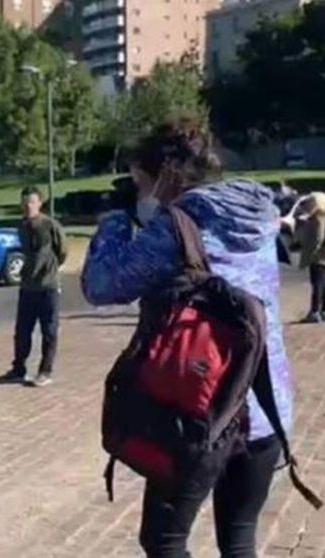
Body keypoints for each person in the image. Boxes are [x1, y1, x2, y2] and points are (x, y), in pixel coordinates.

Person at [81, 120, 294, 557]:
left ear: (165, 176)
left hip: (200, 412)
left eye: (141, 182)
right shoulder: (257, 215)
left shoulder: (177, 225)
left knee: (164, 539)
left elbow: (101, 284)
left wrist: (117, 219)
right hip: (266, 404)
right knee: (238, 537)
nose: (141, 192)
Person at [0, 186, 68, 387]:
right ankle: (18, 368)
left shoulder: (50, 225)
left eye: (31, 202)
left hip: (48, 286)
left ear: (39, 203)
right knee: (22, 331)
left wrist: (50, 268)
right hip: (28, 287)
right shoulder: (22, 226)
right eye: (24, 202)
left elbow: (62, 251)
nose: (27, 206)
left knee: (49, 330)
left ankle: (45, 371)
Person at [295, 192, 325, 324]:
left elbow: (317, 238)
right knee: (323, 283)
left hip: (318, 255)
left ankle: (315, 311)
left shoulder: (318, 218)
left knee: (317, 284)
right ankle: (324, 310)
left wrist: (311, 251)